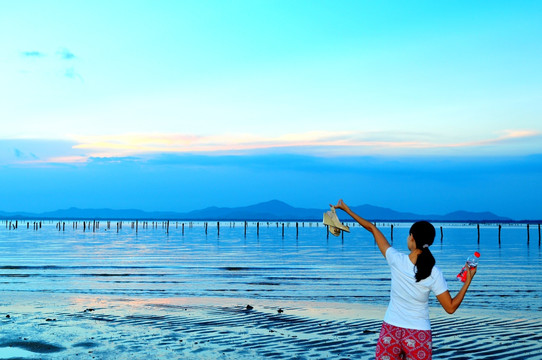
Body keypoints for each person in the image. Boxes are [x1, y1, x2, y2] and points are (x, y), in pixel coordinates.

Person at [332, 199, 477, 360]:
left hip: (391, 331)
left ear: (412, 238)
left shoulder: (396, 259)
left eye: (409, 235)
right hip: (418, 334)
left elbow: (372, 228)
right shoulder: (434, 272)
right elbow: (450, 308)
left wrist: (346, 210)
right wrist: (467, 281)